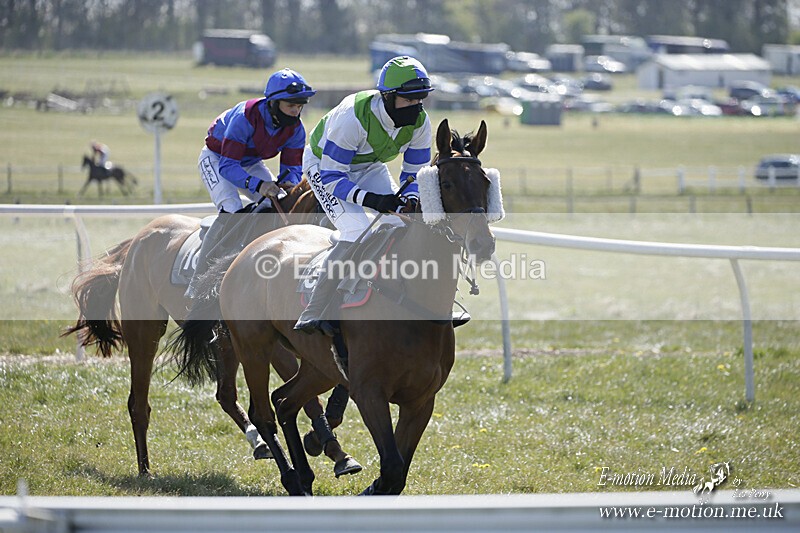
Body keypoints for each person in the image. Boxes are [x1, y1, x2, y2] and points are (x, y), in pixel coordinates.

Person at [294, 55, 434, 336]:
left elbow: (415, 174)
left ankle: (389, 295)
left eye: (421, 99)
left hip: (369, 166)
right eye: (409, 99)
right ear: (389, 96)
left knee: (398, 223)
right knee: (356, 228)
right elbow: (333, 178)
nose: (417, 107)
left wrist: (411, 199)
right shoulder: (353, 118)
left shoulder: (420, 122)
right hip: (324, 166)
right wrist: (372, 200)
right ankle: (315, 308)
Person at [186, 67, 316, 298]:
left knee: (280, 204)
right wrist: (259, 185)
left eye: (299, 106)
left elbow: (292, 170)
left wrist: (287, 186)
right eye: (291, 106)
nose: (296, 112)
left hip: (249, 161)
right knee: (232, 210)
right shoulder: (245, 118)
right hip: (218, 159)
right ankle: (198, 283)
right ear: (273, 103)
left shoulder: (296, 129)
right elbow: (227, 167)